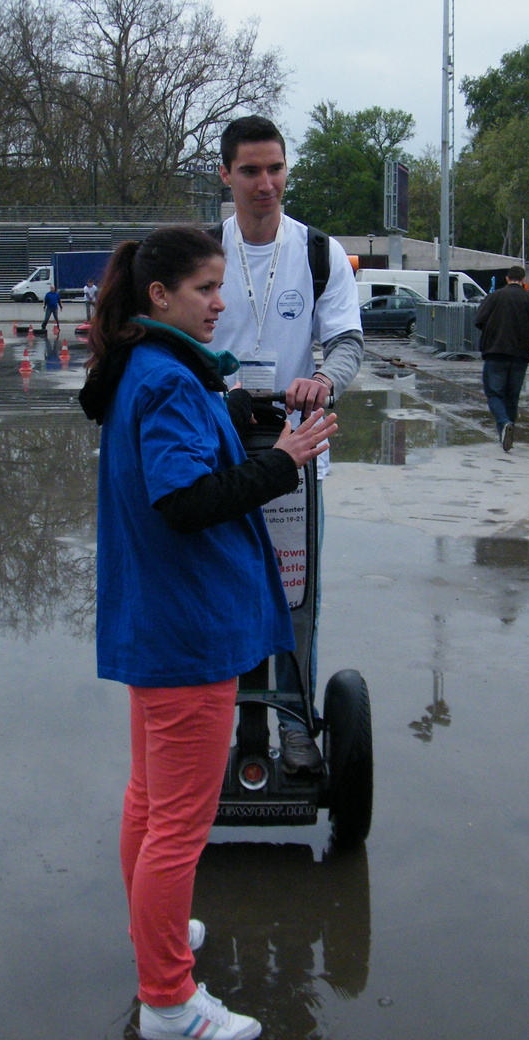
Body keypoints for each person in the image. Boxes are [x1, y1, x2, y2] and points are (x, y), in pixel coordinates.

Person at [80, 226, 337, 1040]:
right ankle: (168, 1002)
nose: (221, 304)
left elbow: (183, 450)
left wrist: (235, 412)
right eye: (206, 290)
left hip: (158, 624)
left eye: (222, 288)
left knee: (149, 804)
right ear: (160, 296)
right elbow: (186, 500)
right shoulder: (166, 382)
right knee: (179, 828)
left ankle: (152, 934)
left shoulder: (148, 367)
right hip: (188, 634)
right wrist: (285, 457)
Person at [211, 115, 363, 775]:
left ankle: (296, 723)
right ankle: (239, 726)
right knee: (226, 592)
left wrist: (323, 380)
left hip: (296, 457)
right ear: (226, 175)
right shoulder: (205, 255)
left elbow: (349, 343)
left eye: (275, 168)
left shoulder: (318, 252)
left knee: (296, 596)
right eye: (250, 170)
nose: (265, 183)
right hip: (219, 453)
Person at [474, 264, 529, 451]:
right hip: (520, 355)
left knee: (494, 393)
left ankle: (504, 424)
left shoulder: (494, 297)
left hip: (496, 352)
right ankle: (507, 433)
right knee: (512, 396)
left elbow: (479, 320)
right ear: (524, 280)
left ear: (507, 279)